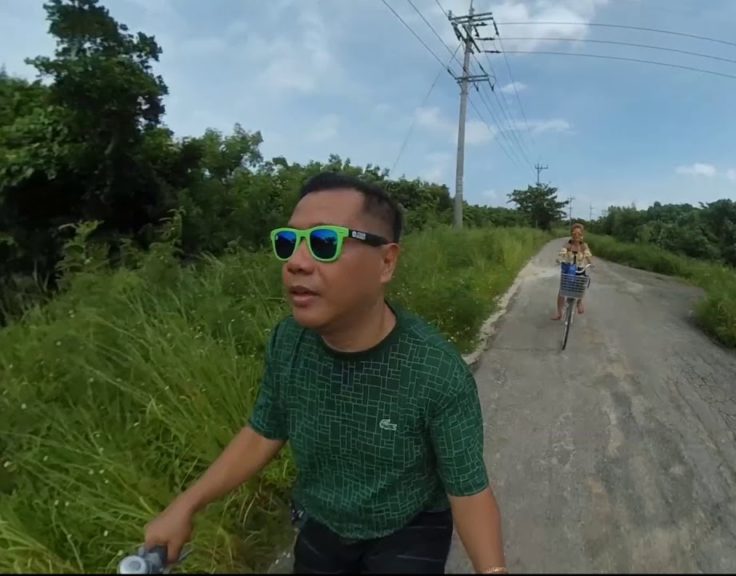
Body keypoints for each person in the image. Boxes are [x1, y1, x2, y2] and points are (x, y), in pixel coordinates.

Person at [143, 172, 507, 575]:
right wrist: (186, 505)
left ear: (386, 262)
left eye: (323, 243)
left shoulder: (436, 370)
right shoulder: (288, 341)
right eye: (288, 242)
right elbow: (265, 429)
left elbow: (468, 490)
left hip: (409, 525)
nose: (297, 263)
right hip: (324, 519)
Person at [552, 222, 593, 321]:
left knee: (581, 286)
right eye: (574, 233)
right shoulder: (568, 245)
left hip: (579, 269)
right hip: (568, 268)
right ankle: (559, 313)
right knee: (562, 290)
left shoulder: (584, 246)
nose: (576, 236)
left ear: (582, 235)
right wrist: (559, 259)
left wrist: (591, 263)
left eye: (579, 234)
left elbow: (588, 256)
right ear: (571, 234)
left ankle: (579, 302)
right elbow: (562, 253)